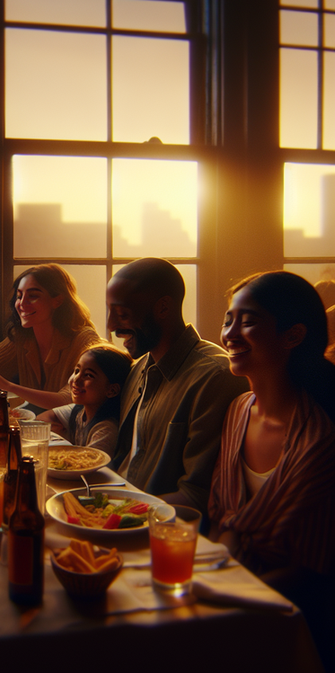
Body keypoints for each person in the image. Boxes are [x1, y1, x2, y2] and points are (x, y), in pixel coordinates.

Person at [208, 271, 335, 669]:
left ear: (293, 335)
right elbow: (224, 521)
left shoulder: (320, 438)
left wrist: (218, 591)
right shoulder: (239, 411)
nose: (229, 333)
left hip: (298, 620)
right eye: (228, 320)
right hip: (227, 585)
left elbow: (311, 572)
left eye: (247, 321)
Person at [106, 257, 247, 513]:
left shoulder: (214, 377)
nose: (111, 326)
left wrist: (115, 512)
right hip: (119, 505)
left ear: (162, 308)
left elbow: (197, 495)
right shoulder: (139, 368)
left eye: (122, 314)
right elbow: (124, 456)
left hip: (163, 528)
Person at [0, 264, 102, 411]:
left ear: (58, 301)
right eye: (19, 296)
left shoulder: (85, 340)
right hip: (38, 427)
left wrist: (6, 386)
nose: (22, 304)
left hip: (72, 430)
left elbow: (69, 399)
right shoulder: (24, 337)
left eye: (33, 296)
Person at [37, 344, 132, 457]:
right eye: (77, 371)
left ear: (112, 390)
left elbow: (88, 465)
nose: (76, 380)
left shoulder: (105, 429)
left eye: (88, 375)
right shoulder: (79, 410)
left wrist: (63, 441)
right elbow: (40, 420)